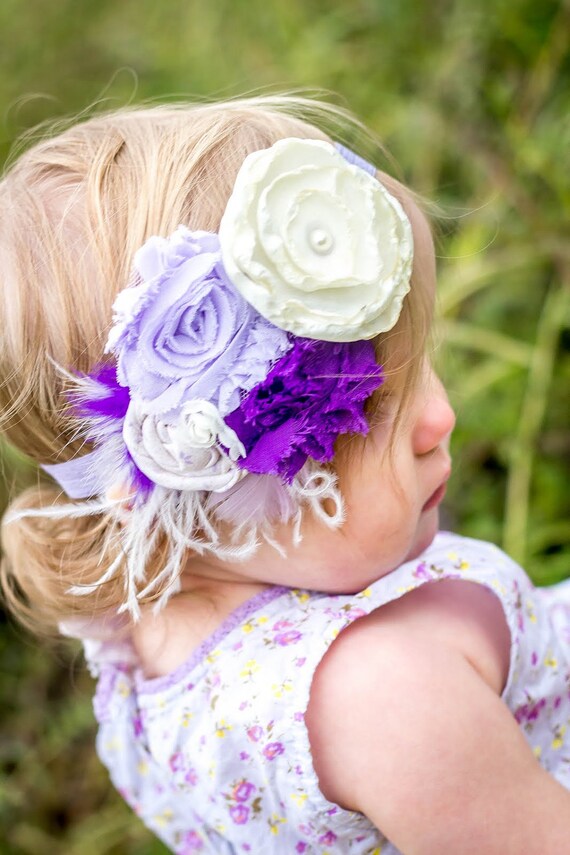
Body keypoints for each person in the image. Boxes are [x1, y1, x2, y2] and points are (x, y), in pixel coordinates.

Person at [1, 96, 570, 855]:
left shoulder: (152, 630)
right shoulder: (389, 695)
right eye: (372, 406)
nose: (439, 417)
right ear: (194, 475)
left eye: (418, 363)